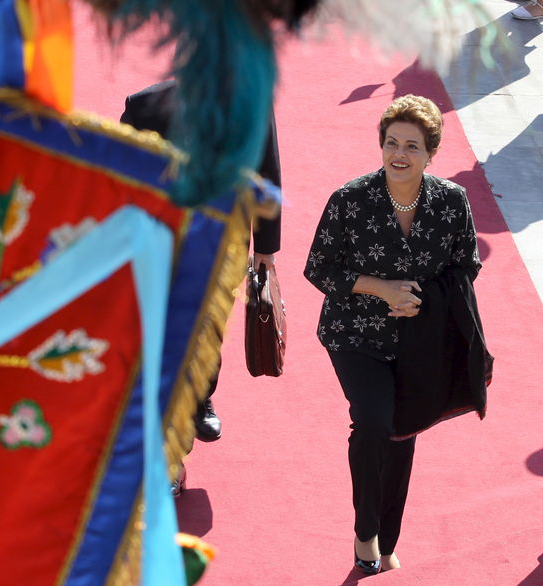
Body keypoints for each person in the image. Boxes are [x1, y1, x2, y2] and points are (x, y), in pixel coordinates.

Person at [304, 94, 490, 574]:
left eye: (412, 145)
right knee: (372, 421)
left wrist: (422, 299)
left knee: (402, 433)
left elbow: (466, 265)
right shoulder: (351, 199)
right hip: (354, 334)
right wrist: (382, 289)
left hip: (418, 339)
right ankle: (365, 530)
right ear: (380, 146)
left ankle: (387, 538)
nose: (399, 154)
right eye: (391, 143)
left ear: (431, 153)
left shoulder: (452, 201)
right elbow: (319, 268)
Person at [121, 80, 282, 494]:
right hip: (161, 245)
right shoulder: (143, 108)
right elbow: (120, 175)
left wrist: (265, 249)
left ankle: (201, 397)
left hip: (221, 245)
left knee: (207, 330)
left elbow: (267, 174)